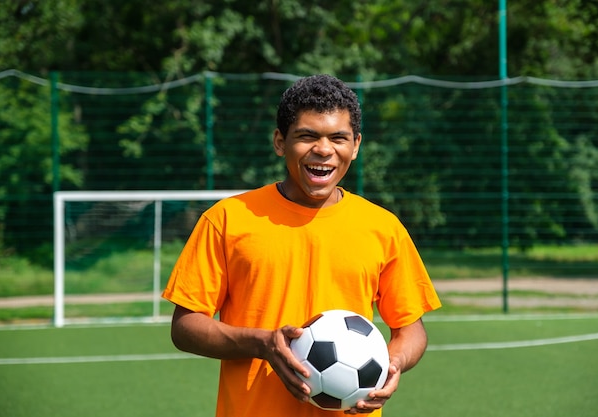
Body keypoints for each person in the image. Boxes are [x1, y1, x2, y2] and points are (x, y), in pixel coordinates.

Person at [162, 74, 441, 417]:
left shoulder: (383, 227)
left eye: (338, 137)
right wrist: (262, 344)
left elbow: (411, 329)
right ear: (280, 142)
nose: (323, 149)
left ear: (355, 145)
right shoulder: (227, 219)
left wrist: (392, 362)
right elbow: (185, 326)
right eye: (307, 136)